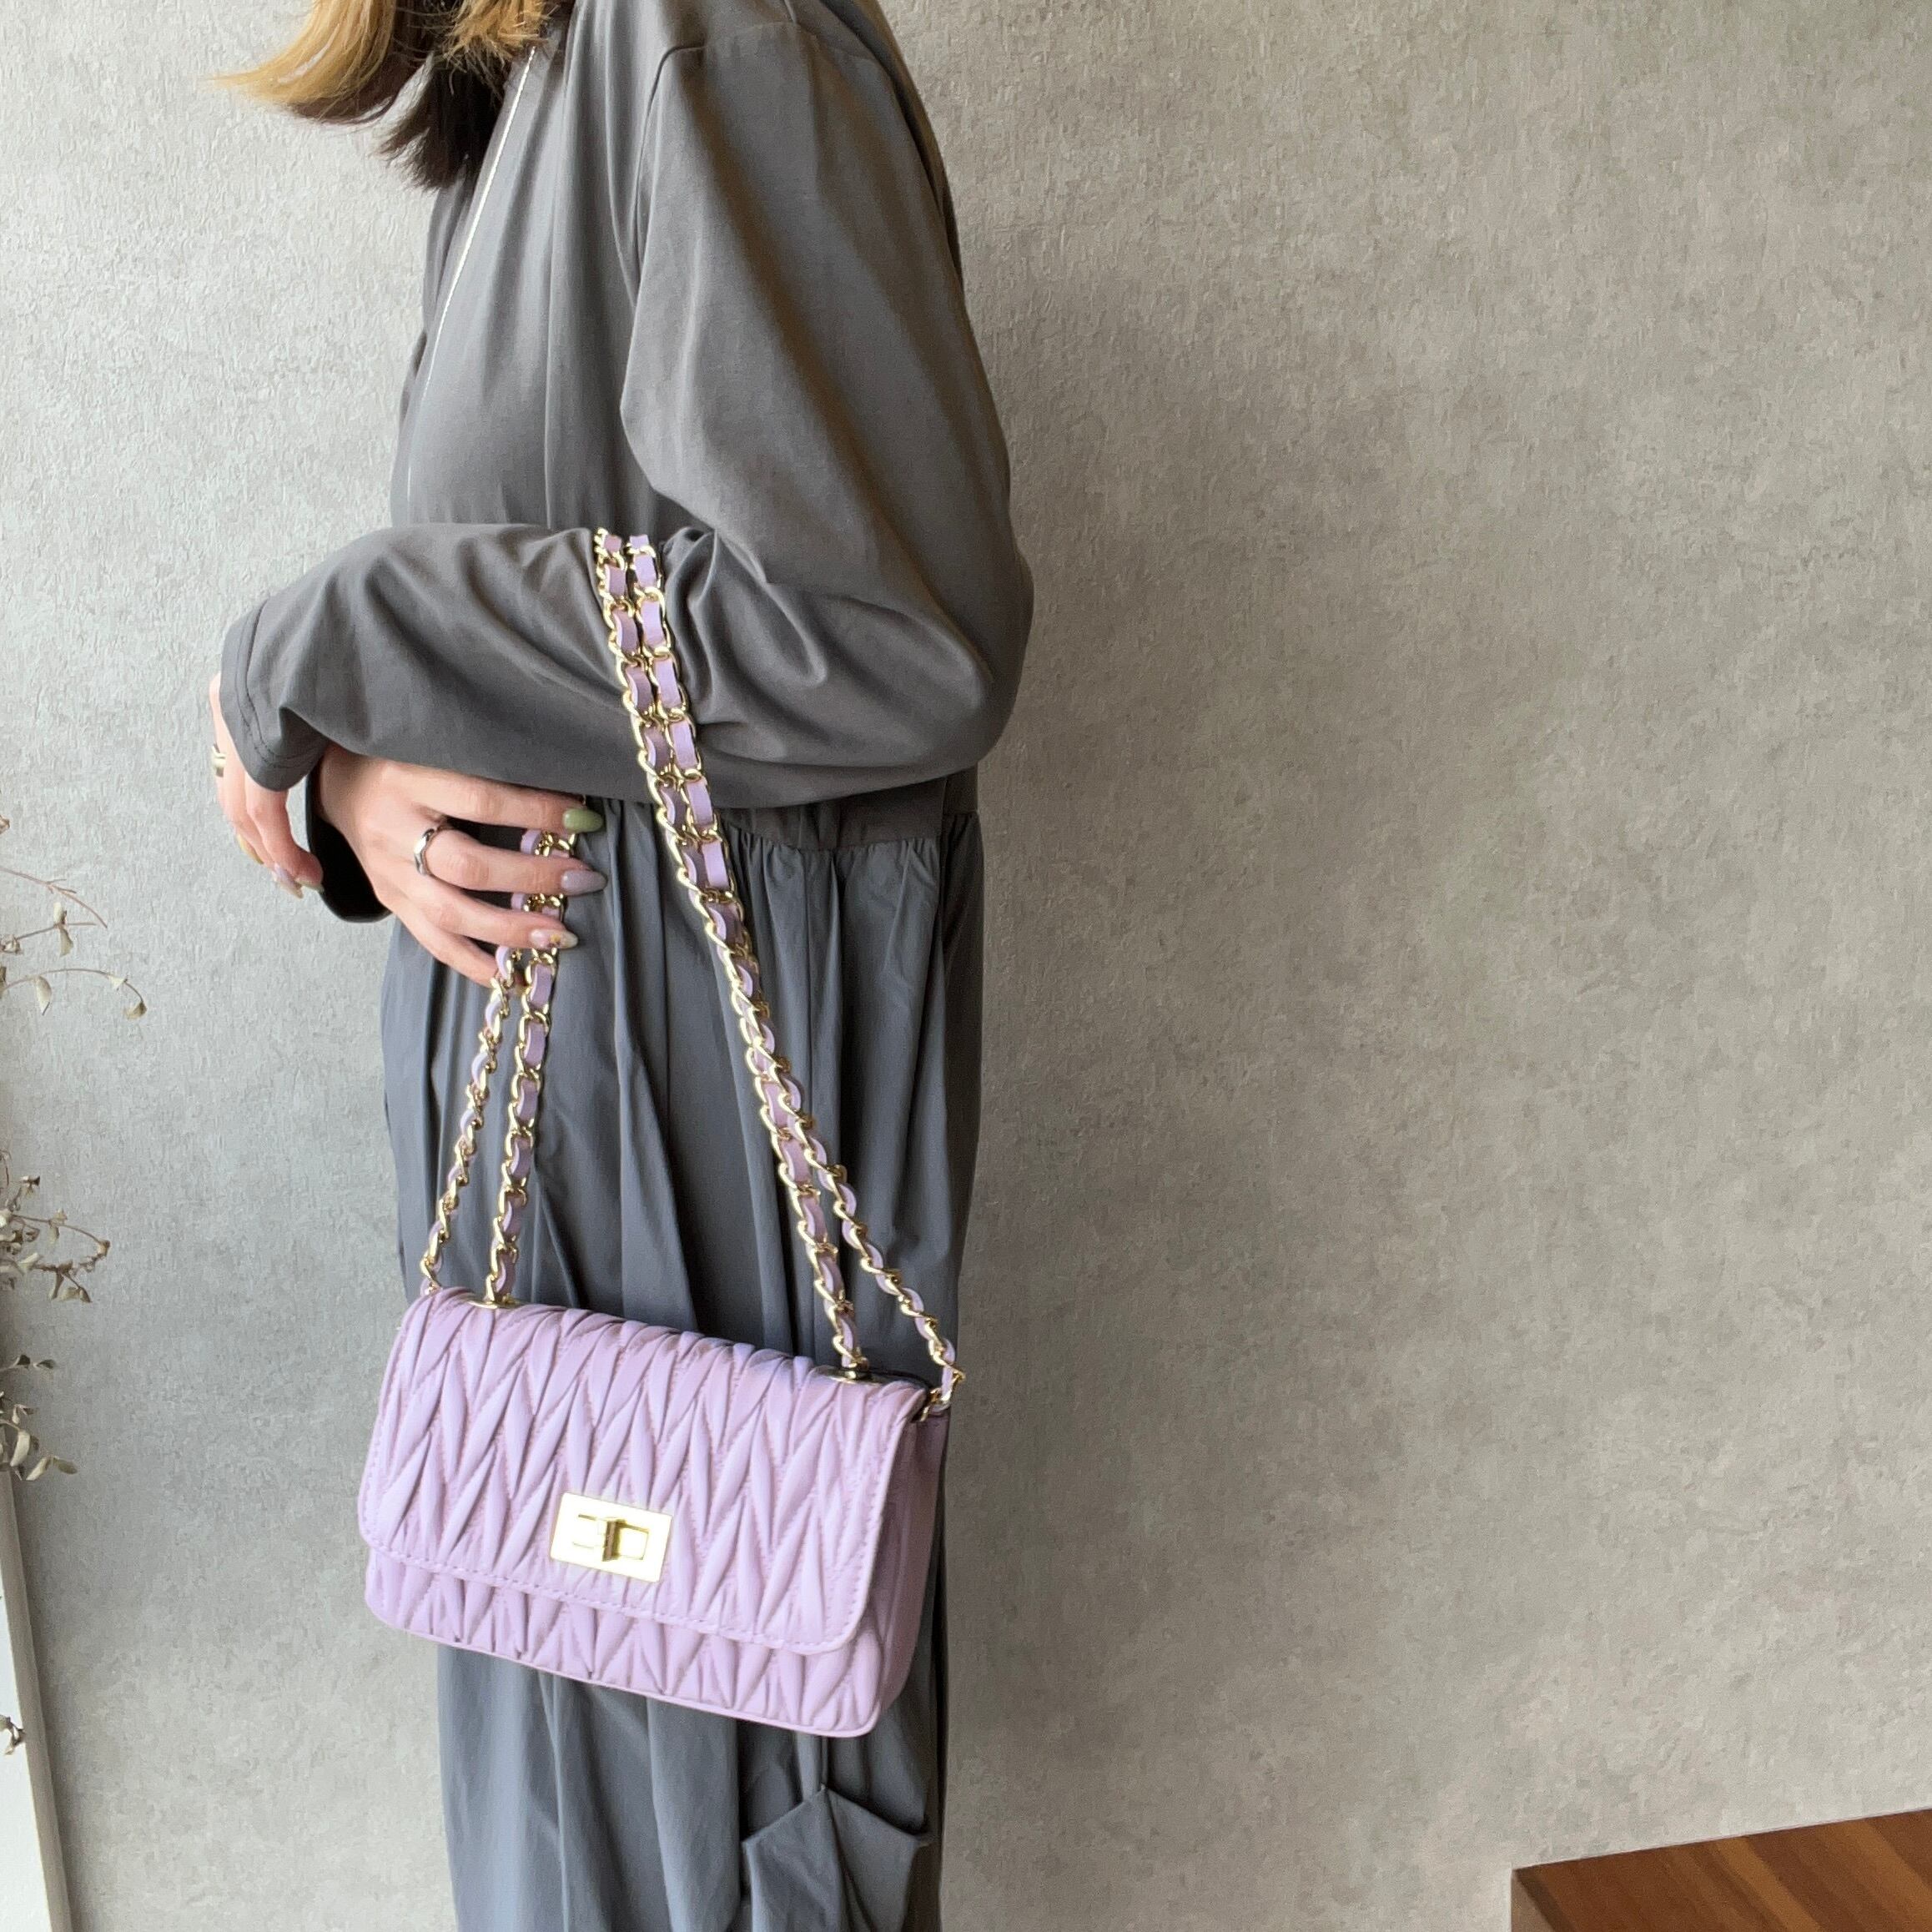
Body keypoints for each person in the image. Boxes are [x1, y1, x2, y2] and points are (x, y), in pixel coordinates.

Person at [207, 1, 1031, 1925]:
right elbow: (570, 634)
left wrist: (346, 628)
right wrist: (372, 782)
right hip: (563, 1242)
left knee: (716, 1828)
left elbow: (894, 641)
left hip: (691, 1222)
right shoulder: (538, 80)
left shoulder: (713, 36)